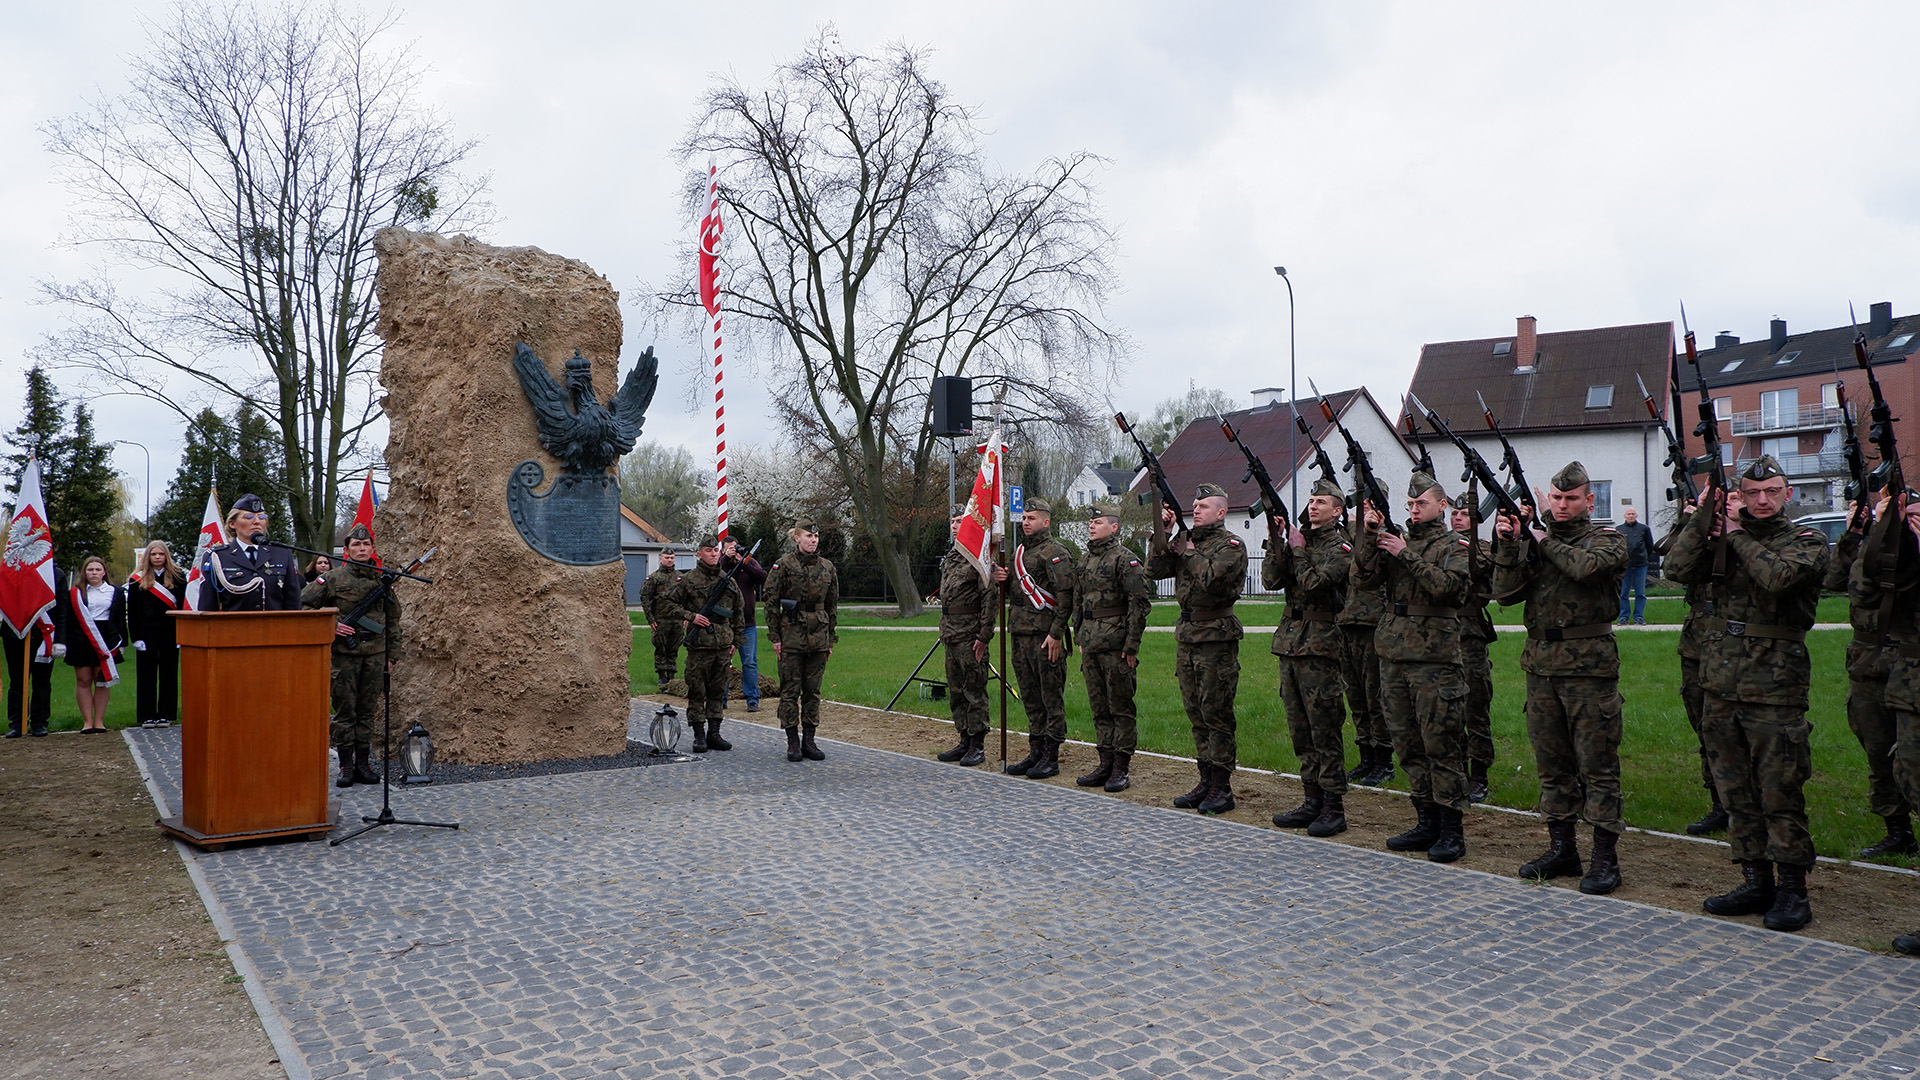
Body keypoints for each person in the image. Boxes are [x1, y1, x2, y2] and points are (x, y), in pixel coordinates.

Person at [1665, 456, 1829, 932]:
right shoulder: (1720, 539)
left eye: (1771, 492)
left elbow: (1778, 579)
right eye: (1752, 493)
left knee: (1779, 792)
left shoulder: (1806, 540)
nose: (1761, 501)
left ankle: (1793, 890)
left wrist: (1733, 532)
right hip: (1719, 682)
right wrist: (1704, 520)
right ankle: (1756, 879)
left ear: (1787, 494)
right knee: (1735, 791)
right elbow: (1675, 567)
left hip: (1775, 686)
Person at [1490, 462, 1630, 894]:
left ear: (1589, 501)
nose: (1563, 505)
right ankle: (1562, 847)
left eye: (1571, 499)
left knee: (1597, 766)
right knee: (1552, 764)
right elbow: (1504, 594)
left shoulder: (1607, 540)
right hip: (1541, 664)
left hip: (1588, 667)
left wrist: (1541, 538)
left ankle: (1605, 858)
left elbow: (1586, 568)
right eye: (1556, 498)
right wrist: (1510, 546)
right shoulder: (1536, 540)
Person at [1351, 471, 1471, 861]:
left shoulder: (1454, 544)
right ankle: (1425, 820)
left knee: (1441, 743)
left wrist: (1405, 553)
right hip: (1394, 652)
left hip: (1434, 658)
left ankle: (1452, 829)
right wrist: (1371, 537)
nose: (1415, 509)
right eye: (1410, 504)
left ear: (1442, 505)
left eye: (1422, 503)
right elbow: (1362, 580)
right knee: (1407, 742)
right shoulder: (1394, 539)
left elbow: (1449, 588)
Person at [1826, 493, 1917, 860]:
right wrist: (1855, 534)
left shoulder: (1908, 543)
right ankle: (1898, 832)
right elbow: (1835, 579)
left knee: (1911, 755)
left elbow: (1876, 589)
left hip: (1905, 659)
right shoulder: (1866, 543)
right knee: (1878, 752)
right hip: (1867, 660)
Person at [1148, 482, 1246, 815]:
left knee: (1216, 713)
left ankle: (1222, 786)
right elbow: (1155, 570)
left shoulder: (1231, 545)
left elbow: (1213, 580)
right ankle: (1205, 779)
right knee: (1196, 712)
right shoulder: (1185, 540)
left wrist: (1187, 549)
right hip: (1188, 636)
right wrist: (1163, 533)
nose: (1196, 509)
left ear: (1221, 512)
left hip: (1216, 638)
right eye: (1195, 504)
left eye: (1203, 506)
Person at [1266, 479, 1353, 836]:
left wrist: (1298, 550)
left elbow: (1316, 584)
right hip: (1290, 643)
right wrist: (1277, 543)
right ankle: (1311, 799)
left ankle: (1334, 807)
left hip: (1321, 645)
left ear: (1337, 511)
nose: (1313, 506)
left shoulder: (1342, 546)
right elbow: (1272, 581)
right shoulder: (1298, 540)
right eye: (1312, 500)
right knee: (1300, 728)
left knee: (1324, 728)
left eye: (1322, 502)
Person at [1862, 494, 1920, 955]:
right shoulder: (1905, 557)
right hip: (1910, 686)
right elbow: (1867, 589)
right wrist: (1887, 532)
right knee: (1908, 779)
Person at [301, 524, 398, 787]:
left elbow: (393, 620)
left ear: (372, 549)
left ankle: (363, 764)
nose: (362, 548)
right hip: (344, 654)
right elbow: (304, 604)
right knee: (345, 711)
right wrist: (331, 624)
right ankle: (345, 765)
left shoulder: (383, 579)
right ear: (346, 550)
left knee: (367, 711)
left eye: (366, 545)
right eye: (356, 545)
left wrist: (393, 654)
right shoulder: (332, 579)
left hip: (376, 654)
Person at [992, 498, 1077, 780]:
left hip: (1044, 637)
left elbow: (1066, 597)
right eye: (1024, 517)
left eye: (1032, 518)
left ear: (1046, 521)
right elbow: (1016, 595)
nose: (1026, 522)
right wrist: (1003, 581)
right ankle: (1036, 751)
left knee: (1050, 698)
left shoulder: (1055, 552)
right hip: (1020, 636)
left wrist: (1056, 634)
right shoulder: (1019, 553)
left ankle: (1051, 757)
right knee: (1030, 697)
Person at [1072, 504, 1151, 792]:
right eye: (1090, 521)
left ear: (1114, 527)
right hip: (1091, 643)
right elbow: (1077, 601)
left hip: (1116, 644)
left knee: (1120, 706)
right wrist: (1079, 636)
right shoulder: (1083, 561)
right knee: (1099, 706)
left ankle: (1121, 766)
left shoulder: (1124, 560)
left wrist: (1131, 645)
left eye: (1098, 521)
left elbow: (1138, 604)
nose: (1092, 525)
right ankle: (1105, 761)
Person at [762, 524, 839, 762]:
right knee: (790, 691)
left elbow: (832, 605)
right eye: (808, 536)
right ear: (797, 538)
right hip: (791, 634)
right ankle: (792, 741)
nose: (813, 540)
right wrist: (775, 637)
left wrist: (830, 638)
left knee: (812, 692)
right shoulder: (783, 565)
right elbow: (771, 602)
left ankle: (810, 740)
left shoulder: (827, 567)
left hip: (818, 635)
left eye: (816, 536)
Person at [661, 535, 743, 755]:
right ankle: (699, 735)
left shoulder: (729, 580)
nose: (714, 554)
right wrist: (691, 615)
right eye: (708, 550)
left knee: (717, 691)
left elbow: (738, 613)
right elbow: (667, 604)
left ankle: (714, 733)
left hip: (723, 645)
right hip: (700, 646)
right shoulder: (689, 580)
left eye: (716, 550)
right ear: (699, 554)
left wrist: (736, 640)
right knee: (697, 691)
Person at [934, 509, 995, 768]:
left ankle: (977, 744)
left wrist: (983, 635)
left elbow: (989, 599)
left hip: (970, 635)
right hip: (951, 633)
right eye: (953, 522)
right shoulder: (951, 558)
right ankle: (963, 739)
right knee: (956, 691)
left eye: (961, 521)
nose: (956, 526)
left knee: (974, 690)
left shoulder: (978, 558)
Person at [1338, 522, 1394, 787]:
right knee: (1356, 697)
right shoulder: (1348, 534)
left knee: (1375, 697)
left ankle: (1384, 761)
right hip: (1347, 622)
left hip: (1373, 623)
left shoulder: (1388, 537)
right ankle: (1366, 756)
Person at [1451, 490, 1497, 802]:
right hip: (1441, 634)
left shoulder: (1482, 549)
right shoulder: (1442, 545)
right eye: (1454, 514)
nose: (1457, 518)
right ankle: (1455, 769)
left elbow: (1486, 579)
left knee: (1474, 707)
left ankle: (1479, 773)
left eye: (1464, 514)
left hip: (1469, 634)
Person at [198, 493, 302, 611]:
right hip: (234, 627)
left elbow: (293, 603)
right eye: (249, 517)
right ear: (232, 524)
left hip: (275, 627)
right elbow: (208, 606)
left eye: (262, 517)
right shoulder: (217, 556)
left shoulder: (281, 554)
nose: (257, 521)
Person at [61, 555, 125, 734]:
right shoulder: (75, 593)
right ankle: (87, 722)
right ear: (84, 572)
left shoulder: (115, 592)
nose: (94, 573)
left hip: (106, 639)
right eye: (90, 569)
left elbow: (120, 619)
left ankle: (99, 722)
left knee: (102, 680)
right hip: (80, 639)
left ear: (104, 572)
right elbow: (67, 619)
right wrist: (64, 641)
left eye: (98, 569)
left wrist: (123, 642)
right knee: (83, 680)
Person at [127, 541, 186, 729]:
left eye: (161, 554)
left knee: (169, 673)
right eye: (154, 554)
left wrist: (181, 635)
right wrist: (135, 637)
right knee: (146, 674)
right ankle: (147, 715)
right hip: (146, 632)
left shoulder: (178, 577)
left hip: (170, 631)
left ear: (166, 556)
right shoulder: (137, 579)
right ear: (148, 557)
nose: (158, 557)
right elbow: (133, 611)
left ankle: (166, 714)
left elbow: (184, 607)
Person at [2, 566, 63, 738]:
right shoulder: (11, 570)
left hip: (45, 635)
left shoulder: (55, 574)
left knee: (42, 682)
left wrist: (61, 640)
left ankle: (39, 722)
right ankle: (17, 723)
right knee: (17, 681)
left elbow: (62, 608)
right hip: (15, 634)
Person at [721, 536, 768, 713]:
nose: (735, 551)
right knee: (723, 661)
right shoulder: (721, 563)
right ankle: (721, 697)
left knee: (749, 662)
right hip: (726, 623)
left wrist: (744, 563)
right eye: (730, 548)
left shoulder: (749, 562)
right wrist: (726, 559)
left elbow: (763, 578)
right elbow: (718, 577)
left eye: (736, 547)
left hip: (747, 624)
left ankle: (752, 699)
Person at [640, 550, 683, 689]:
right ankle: (661, 675)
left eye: (672, 557)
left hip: (677, 619)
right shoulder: (654, 578)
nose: (669, 560)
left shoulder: (680, 577)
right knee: (660, 647)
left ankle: (671, 674)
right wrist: (650, 618)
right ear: (661, 559)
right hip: (660, 619)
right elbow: (645, 598)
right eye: (667, 557)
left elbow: (687, 598)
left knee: (674, 647)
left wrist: (687, 616)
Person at [1616, 508, 1656, 625]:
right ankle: (1624, 617)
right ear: (1624, 516)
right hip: (1625, 565)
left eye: (1633, 514)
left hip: (1640, 564)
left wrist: (1644, 556)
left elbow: (1649, 545)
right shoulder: (1618, 530)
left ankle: (1638, 617)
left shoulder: (1644, 529)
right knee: (1623, 593)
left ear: (1636, 515)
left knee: (1640, 593)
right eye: (1629, 514)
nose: (1631, 516)